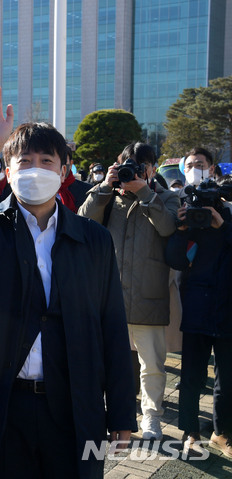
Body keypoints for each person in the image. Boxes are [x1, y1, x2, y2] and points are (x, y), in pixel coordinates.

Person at [0, 82, 136, 478]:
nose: (35, 169)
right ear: (8, 170)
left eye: (46, 160)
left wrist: (122, 410)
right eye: (24, 161)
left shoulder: (93, 239)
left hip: (75, 404)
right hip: (7, 404)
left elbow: (112, 325)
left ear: (64, 170)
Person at [79, 142, 179, 440]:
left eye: (140, 166)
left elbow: (168, 228)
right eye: (127, 164)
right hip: (109, 298)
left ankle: (152, 419)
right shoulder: (107, 198)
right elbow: (81, 223)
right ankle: (110, 416)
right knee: (108, 363)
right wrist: (102, 188)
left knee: (152, 366)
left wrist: (144, 192)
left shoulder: (166, 198)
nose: (132, 171)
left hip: (149, 294)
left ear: (152, 169)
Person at [165, 157, 232, 458]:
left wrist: (223, 227)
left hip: (228, 308)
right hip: (196, 308)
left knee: (227, 377)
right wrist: (181, 229)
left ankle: (222, 432)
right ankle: (191, 431)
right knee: (191, 376)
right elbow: (176, 261)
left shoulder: (228, 220)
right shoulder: (189, 222)